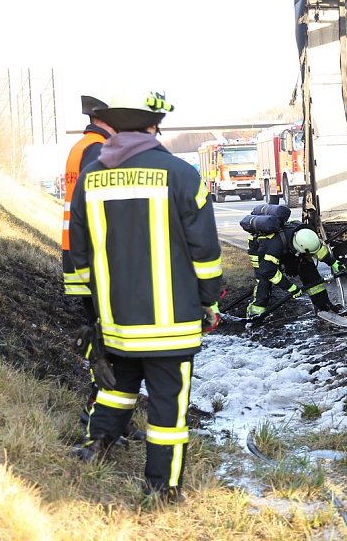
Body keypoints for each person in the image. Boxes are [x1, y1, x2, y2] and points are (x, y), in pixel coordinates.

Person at [69, 89, 223, 502]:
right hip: (171, 324)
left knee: (118, 386)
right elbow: (205, 251)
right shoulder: (181, 174)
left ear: (115, 128)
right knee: (168, 411)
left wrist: (93, 309)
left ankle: (95, 446)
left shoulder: (90, 178)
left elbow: (78, 254)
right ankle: (161, 489)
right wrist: (209, 299)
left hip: (117, 321)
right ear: (153, 128)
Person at [61, 96, 127, 434]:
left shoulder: (82, 145)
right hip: (91, 256)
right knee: (104, 338)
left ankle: (109, 415)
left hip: (77, 253)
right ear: (106, 120)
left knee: (99, 333)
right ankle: (98, 415)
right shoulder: (97, 149)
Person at [247, 221, 347, 317]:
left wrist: (335, 263)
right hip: (260, 252)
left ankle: (323, 305)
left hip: (287, 249)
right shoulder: (274, 246)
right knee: (264, 281)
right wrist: (291, 288)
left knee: (309, 271)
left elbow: (319, 250)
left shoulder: (305, 236)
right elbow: (268, 272)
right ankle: (255, 313)